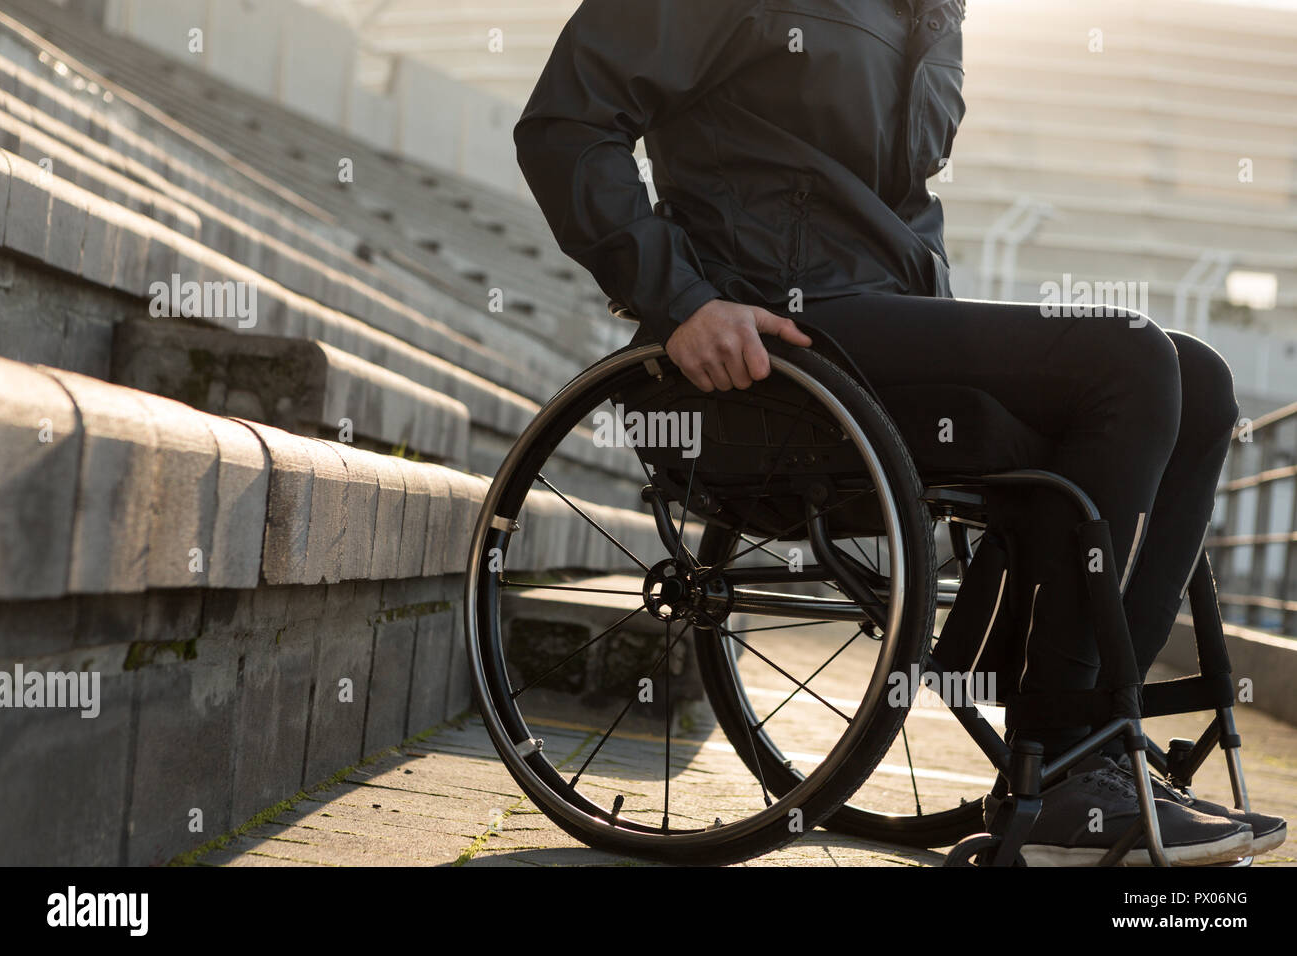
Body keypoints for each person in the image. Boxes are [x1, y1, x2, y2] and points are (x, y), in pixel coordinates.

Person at [513, 0, 1285, 864]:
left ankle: (1090, 753)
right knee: (1134, 358)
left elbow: (898, 209)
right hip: (777, 322)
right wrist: (680, 299)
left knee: (1203, 381)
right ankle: (1067, 769)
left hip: (889, 320)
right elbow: (563, 124)